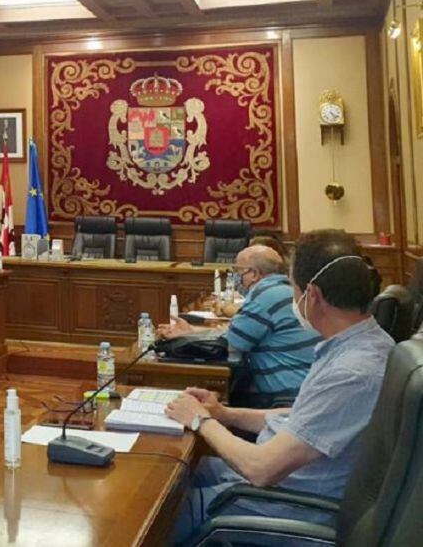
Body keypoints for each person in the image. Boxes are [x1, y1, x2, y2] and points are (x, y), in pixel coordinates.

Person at [165, 229, 393, 544]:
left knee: (158, 511)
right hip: (287, 482)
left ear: (311, 296)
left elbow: (261, 469)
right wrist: (225, 414)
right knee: (177, 471)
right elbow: (302, 416)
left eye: (293, 291)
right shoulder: (359, 342)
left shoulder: (353, 372)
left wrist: (199, 420)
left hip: (290, 503)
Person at [158, 245, 319, 406]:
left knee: (211, 402)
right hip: (308, 386)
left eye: (238, 271)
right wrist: (192, 331)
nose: (236, 277)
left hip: (286, 396)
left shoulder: (264, 296)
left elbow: (231, 345)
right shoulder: (287, 289)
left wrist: (185, 337)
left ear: (254, 274)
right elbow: (240, 331)